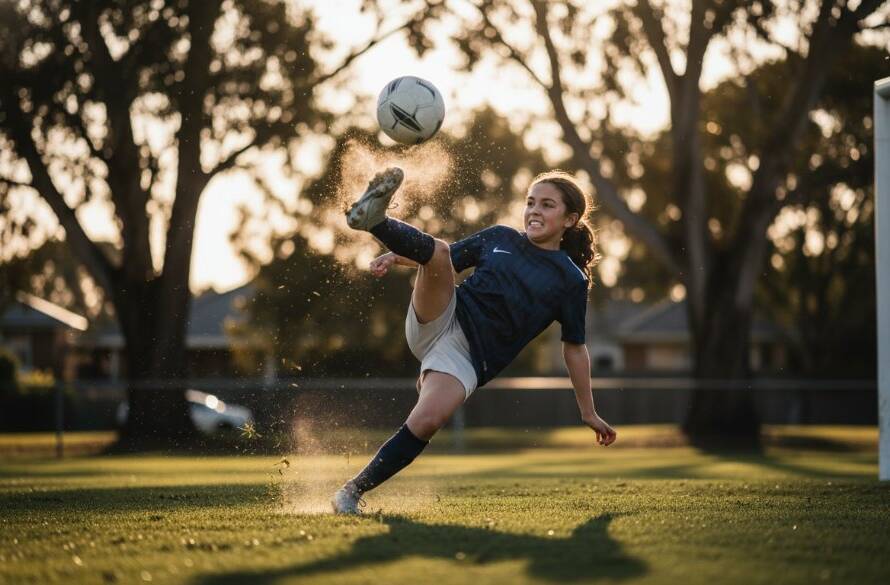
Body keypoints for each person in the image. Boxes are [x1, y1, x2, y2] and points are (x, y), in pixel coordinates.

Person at [331, 167, 617, 514]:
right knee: (437, 250)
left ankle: (350, 492)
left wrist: (588, 412)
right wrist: (396, 256)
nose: (534, 211)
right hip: (443, 316)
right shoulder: (501, 237)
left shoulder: (570, 280)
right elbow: (443, 260)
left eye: (547, 205)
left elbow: (574, 347)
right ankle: (374, 221)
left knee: (426, 422)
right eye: (530, 203)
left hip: (466, 359)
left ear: (570, 220)